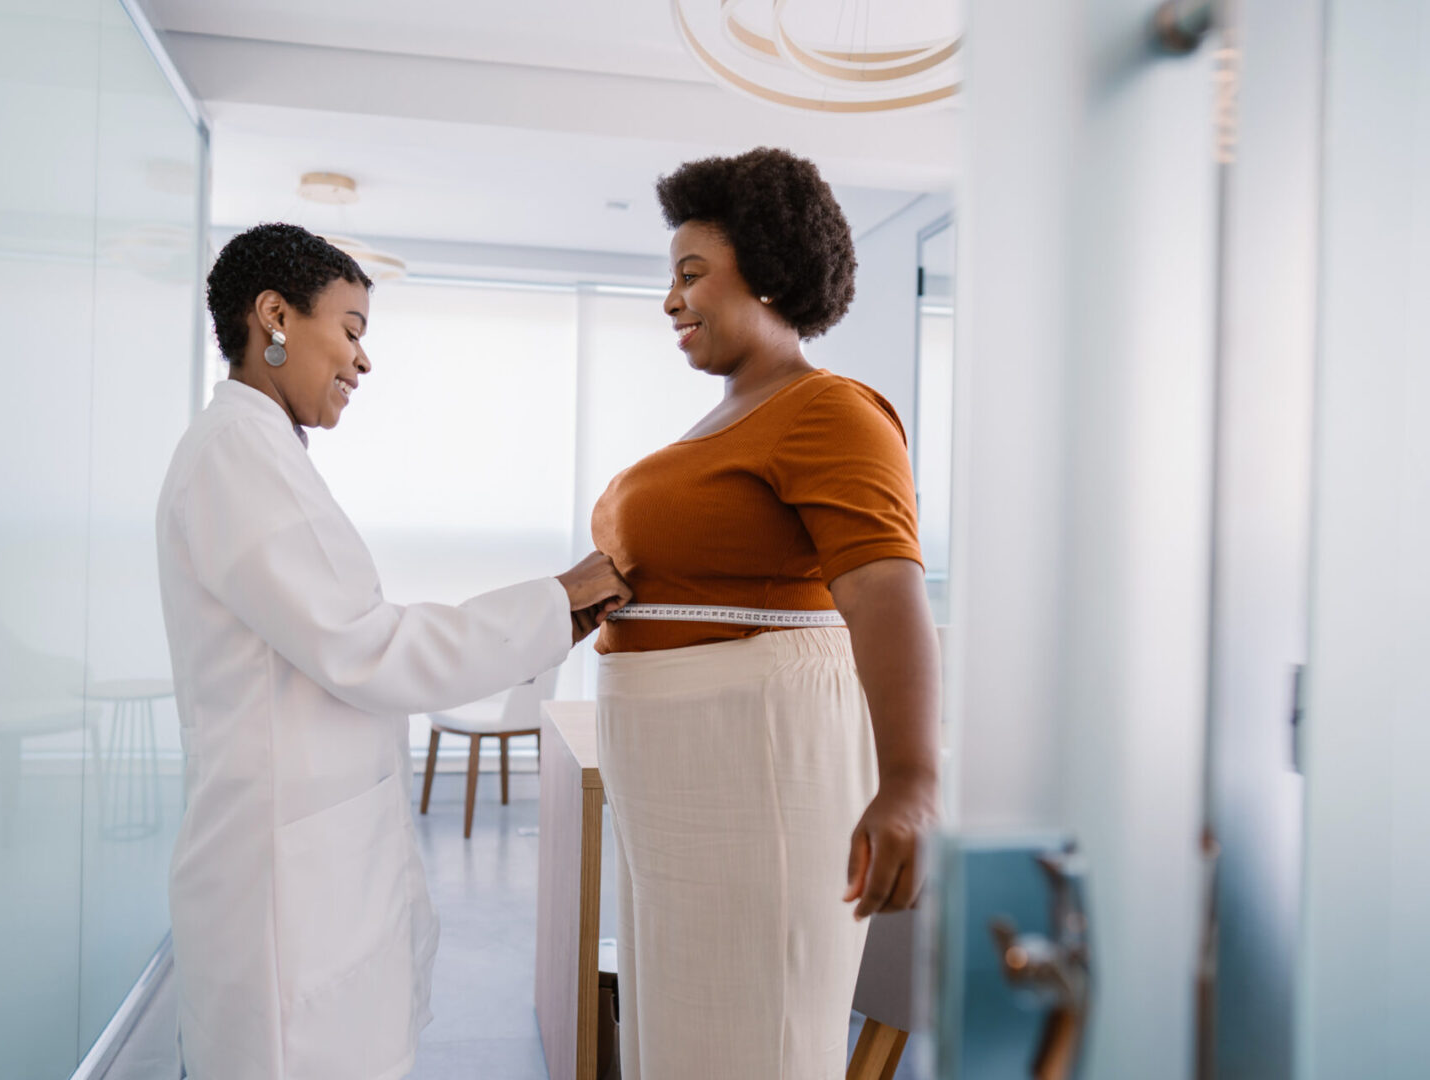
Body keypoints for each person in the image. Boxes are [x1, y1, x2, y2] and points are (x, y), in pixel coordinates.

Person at [156, 223, 630, 1080]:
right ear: (274, 316)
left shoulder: (263, 451)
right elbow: (370, 647)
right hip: (281, 885)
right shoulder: (236, 453)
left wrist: (553, 613)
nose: (361, 362)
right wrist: (556, 600)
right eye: (350, 329)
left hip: (311, 861)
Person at [590, 148, 942, 1078]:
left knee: (758, 1040)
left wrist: (911, 776)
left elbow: (884, 589)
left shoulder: (830, 412)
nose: (671, 300)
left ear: (772, 271)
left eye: (692, 273)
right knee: (686, 1037)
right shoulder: (718, 425)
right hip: (675, 787)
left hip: (758, 775)